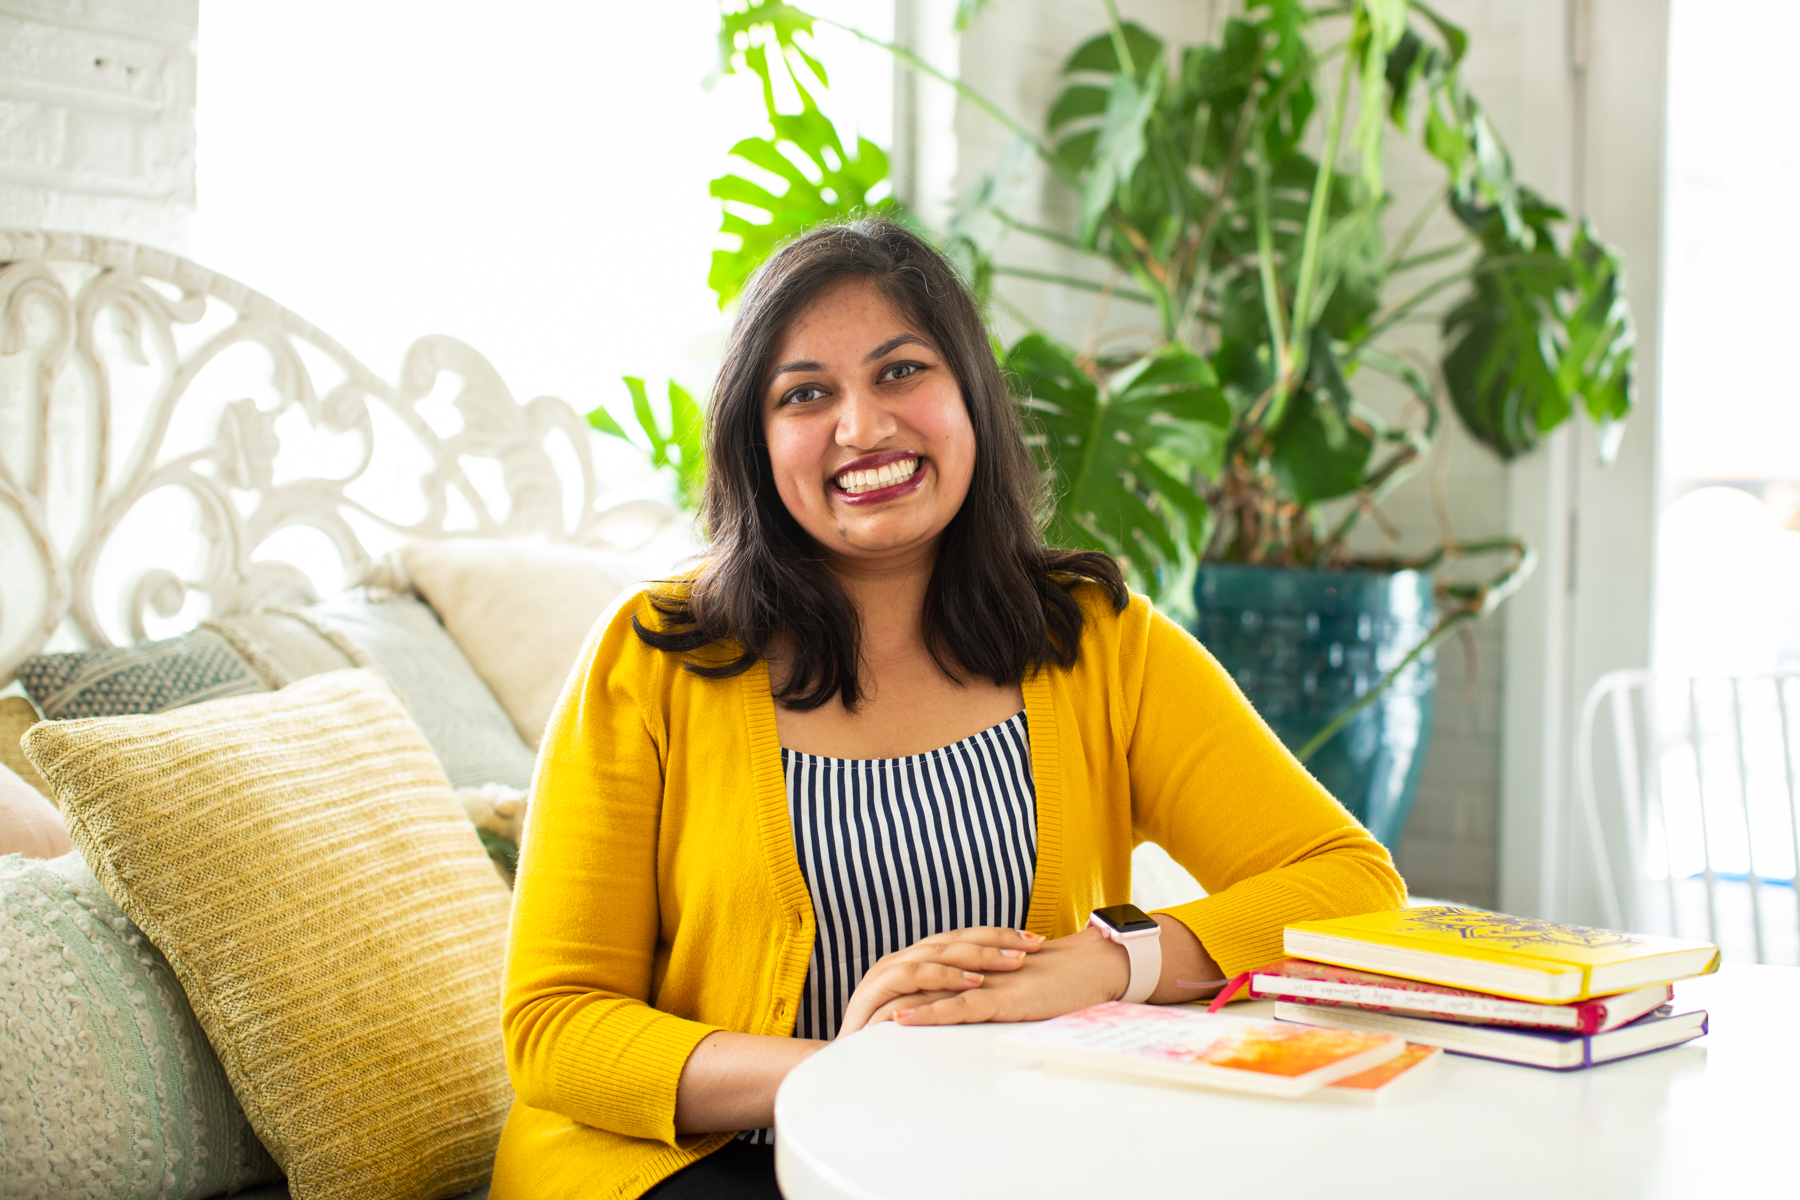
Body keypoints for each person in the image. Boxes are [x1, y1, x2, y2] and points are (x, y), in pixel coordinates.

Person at [489, 219, 1406, 1199]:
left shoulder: (1099, 641)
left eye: (900, 373)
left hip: (997, 1163)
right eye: (806, 395)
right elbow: (555, 1027)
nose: (863, 427)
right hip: (697, 1165)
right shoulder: (655, 655)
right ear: (758, 447)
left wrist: (1112, 961)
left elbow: (1350, 882)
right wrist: (840, 1071)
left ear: (971, 397)